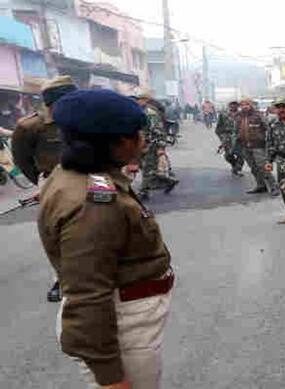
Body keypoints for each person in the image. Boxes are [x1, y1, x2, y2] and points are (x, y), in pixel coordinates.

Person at [39, 89, 175, 388]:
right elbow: (87, 295)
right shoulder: (92, 203)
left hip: (128, 322)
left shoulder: (83, 173)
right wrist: (111, 378)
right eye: (138, 133)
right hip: (123, 330)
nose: (143, 139)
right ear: (121, 142)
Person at [11, 75, 78, 303]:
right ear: (51, 103)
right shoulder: (30, 127)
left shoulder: (84, 119)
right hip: (51, 181)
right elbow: (22, 159)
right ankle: (61, 278)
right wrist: (43, 182)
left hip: (86, 177)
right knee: (55, 232)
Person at [135, 93, 179, 200]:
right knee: (143, 167)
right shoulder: (140, 111)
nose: (137, 101)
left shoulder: (151, 113)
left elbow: (159, 131)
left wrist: (160, 148)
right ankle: (168, 181)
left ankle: (143, 192)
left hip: (152, 145)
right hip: (142, 145)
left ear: (145, 100)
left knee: (147, 169)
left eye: (139, 99)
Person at [235, 98, 278, 195]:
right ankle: (261, 185)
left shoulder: (258, 115)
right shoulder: (239, 116)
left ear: (251, 105)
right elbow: (236, 130)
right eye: (242, 105)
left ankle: (273, 186)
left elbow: (268, 128)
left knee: (262, 166)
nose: (244, 106)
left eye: (247, 104)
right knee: (253, 167)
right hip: (245, 145)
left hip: (258, 145)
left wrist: (269, 142)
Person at [215, 101, 244, 177]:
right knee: (228, 155)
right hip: (227, 137)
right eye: (231, 104)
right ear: (229, 105)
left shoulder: (242, 115)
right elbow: (218, 129)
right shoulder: (223, 115)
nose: (233, 106)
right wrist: (222, 138)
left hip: (239, 137)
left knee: (241, 155)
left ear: (238, 106)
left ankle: (238, 169)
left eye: (235, 104)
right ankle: (234, 165)